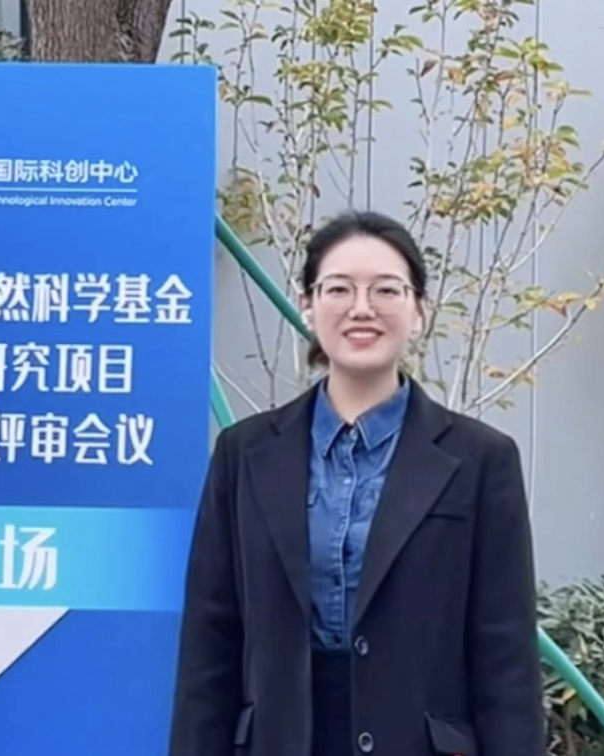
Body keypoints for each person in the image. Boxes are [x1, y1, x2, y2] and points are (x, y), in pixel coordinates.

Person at [168, 210, 545, 756]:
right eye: (339, 288)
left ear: (419, 311)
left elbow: (505, 655)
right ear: (308, 305)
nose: (361, 308)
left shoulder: (480, 459)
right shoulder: (244, 454)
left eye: (386, 290)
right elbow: (210, 642)